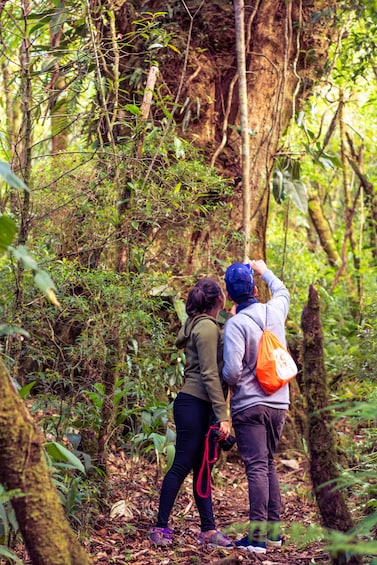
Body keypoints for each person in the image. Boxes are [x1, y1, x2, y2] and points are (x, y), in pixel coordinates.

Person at [149, 277, 232, 548]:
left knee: (202, 468)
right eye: (221, 291)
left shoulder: (202, 324)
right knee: (183, 465)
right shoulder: (207, 328)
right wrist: (223, 415)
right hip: (195, 402)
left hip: (197, 403)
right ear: (217, 299)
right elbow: (209, 374)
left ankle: (208, 530)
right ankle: (160, 527)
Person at [222, 259, 290, 554]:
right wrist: (264, 270)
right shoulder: (275, 310)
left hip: (250, 406)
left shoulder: (235, 324)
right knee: (269, 463)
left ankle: (258, 539)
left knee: (257, 467)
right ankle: (273, 534)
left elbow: (232, 373)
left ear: (229, 295)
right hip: (279, 402)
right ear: (254, 288)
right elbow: (283, 291)